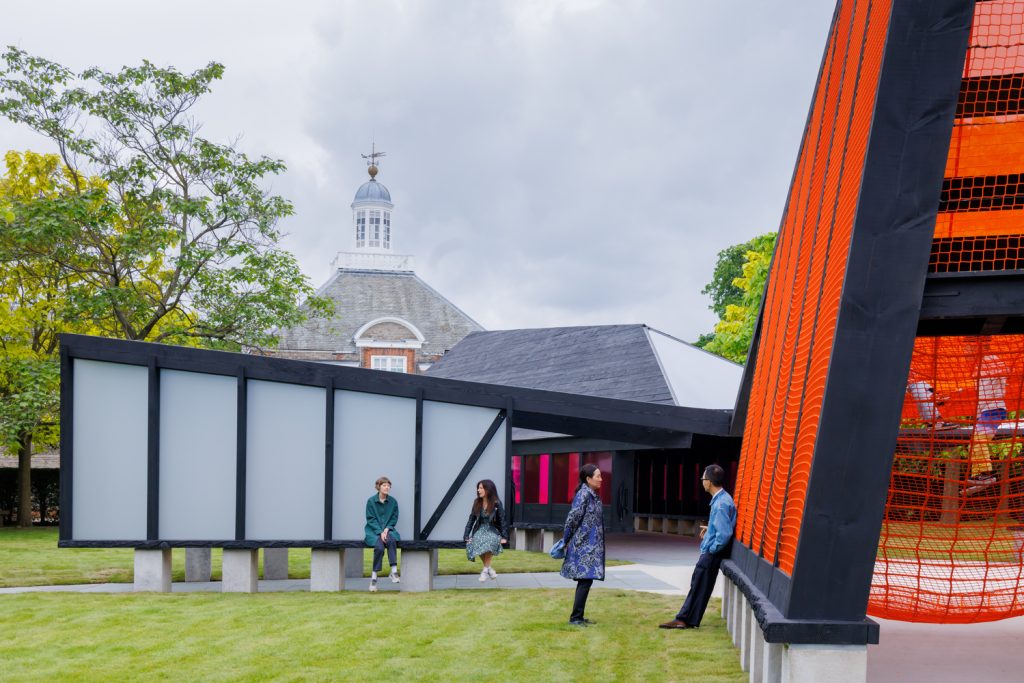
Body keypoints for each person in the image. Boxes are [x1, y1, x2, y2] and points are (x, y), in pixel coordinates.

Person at [660, 464, 736, 630]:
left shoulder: (720, 504)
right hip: (712, 552)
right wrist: (710, 531)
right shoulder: (722, 500)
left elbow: (724, 534)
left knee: (698, 585)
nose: (702, 481)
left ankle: (683, 619)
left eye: (703, 478)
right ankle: (687, 619)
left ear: (709, 482)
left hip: (712, 554)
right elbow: (721, 527)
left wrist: (712, 548)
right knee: (699, 585)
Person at [560, 463, 605, 626]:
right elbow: (572, 519)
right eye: (598, 476)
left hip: (590, 545)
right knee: (585, 580)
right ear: (588, 479)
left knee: (586, 580)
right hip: (583, 545)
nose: (601, 479)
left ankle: (578, 616)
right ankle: (575, 617)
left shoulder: (592, 495)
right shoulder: (584, 495)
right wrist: (565, 540)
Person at [464, 479, 510, 581]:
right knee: (475, 541)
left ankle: (485, 570)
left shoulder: (496, 503)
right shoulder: (477, 502)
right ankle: (488, 569)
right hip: (480, 529)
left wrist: (505, 537)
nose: (478, 490)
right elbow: (471, 520)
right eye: (478, 488)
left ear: (488, 489)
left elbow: (502, 521)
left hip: (492, 529)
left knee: (489, 540)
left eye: (481, 488)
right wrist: (466, 535)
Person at [364, 476, 400, 592]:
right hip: (373, 532)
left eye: (388, 486)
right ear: (378, 487)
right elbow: (370, 519)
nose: (387, 487)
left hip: (389, 531)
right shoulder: (371, 501)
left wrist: (387, 529)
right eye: (384, 485)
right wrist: (380, 531)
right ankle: (374, 577)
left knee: (391, 540)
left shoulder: (393, 502)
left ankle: (394, 571)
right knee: (379, 548)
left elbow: (394, 518)